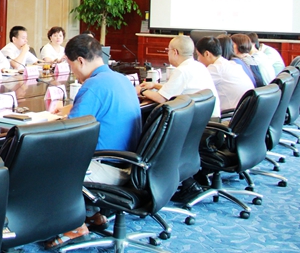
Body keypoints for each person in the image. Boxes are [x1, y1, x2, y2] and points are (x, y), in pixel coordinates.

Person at [46, 34, 142, 249]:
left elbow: (72, 133)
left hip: (106, 167)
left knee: (43, 161)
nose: (72, 72)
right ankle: (91, 213)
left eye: (71, 66)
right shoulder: (121, 79)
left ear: (80, 60)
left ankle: (75, 225)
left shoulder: (93, 85)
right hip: (129, 164)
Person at [136, 35, 220, 119]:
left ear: (175, 52)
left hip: (202, 122)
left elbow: (161, 98)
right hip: (208, 118)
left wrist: (141, 90)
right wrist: (154, 85)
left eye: (168, 50)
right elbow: (176, 90)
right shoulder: (199, 66)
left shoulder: (182, 71)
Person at [195, 36, 254, 111]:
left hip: (230, 114)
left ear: (207, 54)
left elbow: (195, 86)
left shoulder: (216, 69)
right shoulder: (229, 64)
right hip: (243, 111)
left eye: (198, 55)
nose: (198, 59)